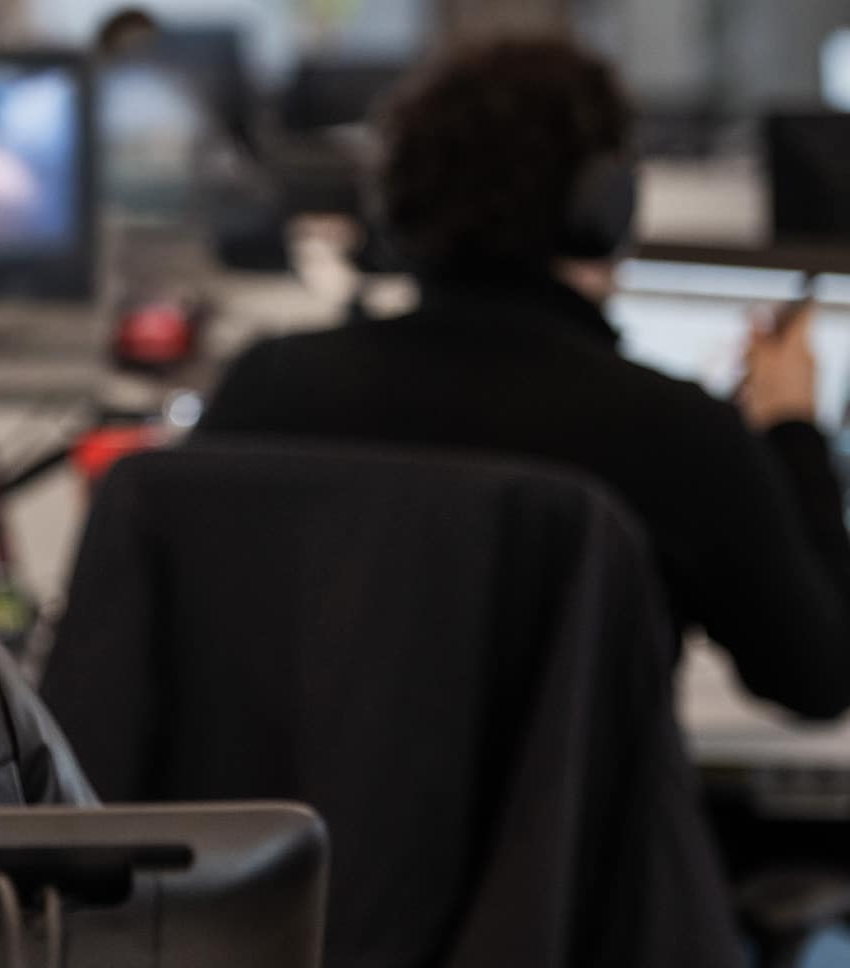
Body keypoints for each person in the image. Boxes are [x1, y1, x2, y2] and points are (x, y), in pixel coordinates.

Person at [194, 36, 850, 719]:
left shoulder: (268, 390)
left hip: (311, 823)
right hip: (572, 826)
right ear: (605, 202)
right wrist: (792, 432)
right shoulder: (672, 432)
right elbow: (817, 678)